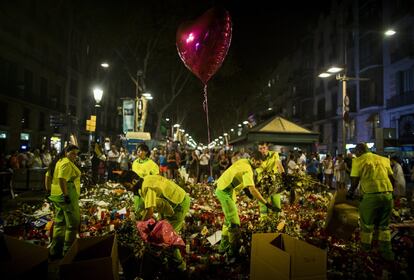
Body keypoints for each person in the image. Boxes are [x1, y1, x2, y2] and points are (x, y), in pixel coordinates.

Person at [119, 171, 190, 271]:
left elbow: (150, 212)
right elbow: (147, 204)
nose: (128, 190)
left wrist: (139, 226)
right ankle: (171, 261)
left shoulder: (147, 187)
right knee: (163, 233)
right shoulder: (146, 180)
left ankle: (180, 267)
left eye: (127, 186)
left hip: (179, 205)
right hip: (171, 204)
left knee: (167, 237)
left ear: (134, 181)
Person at [215, 150, 279, 257]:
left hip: (228, 189)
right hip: (224, 191)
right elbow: (253, 189)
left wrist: (246, 191)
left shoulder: (244, 161)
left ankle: (222, 247)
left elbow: (238, 175)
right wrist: (267, 204)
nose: (259, 165)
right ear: (253, 160)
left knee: (228, 221)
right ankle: (232, 253)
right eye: (258, 163)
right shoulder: (248, 169)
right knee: (235, 223)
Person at [347, 143, 395, 261]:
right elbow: (392, 179)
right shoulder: (383, 159)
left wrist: (349, 194)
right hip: (387, 195)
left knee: (367, 226)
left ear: (359, 151)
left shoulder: (358, 161)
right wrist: (389, 193)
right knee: (384, 226)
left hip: (370, 196)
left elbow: (354, 182)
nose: (355, 154)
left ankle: (366, 253)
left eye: (356, 152)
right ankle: (387, 253)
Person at [45, 144, 81, 260]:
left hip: (56, 196)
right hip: (66, 194)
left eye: (76, 154)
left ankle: (55, 250)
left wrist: (48, 191)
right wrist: (66, 195)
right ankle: (67, 252)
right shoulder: (65, 163)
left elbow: (48, 176)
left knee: (60, 223)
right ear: (66, 152)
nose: (75, 156)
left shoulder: (58, 161)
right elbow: (62, 179)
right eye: (72, 153)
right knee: (73, 223)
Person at [256, 142, 284, 218]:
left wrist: (283, 174)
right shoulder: (257, 158)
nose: (262, 150)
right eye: (260, 148)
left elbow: (279, 164)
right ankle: (264, 222)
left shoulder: (274, 154)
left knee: (276, 203)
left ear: (267, 148)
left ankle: (276, 221)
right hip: (262, 184)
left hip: (274, 182)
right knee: (263, 204)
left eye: (264, 148)